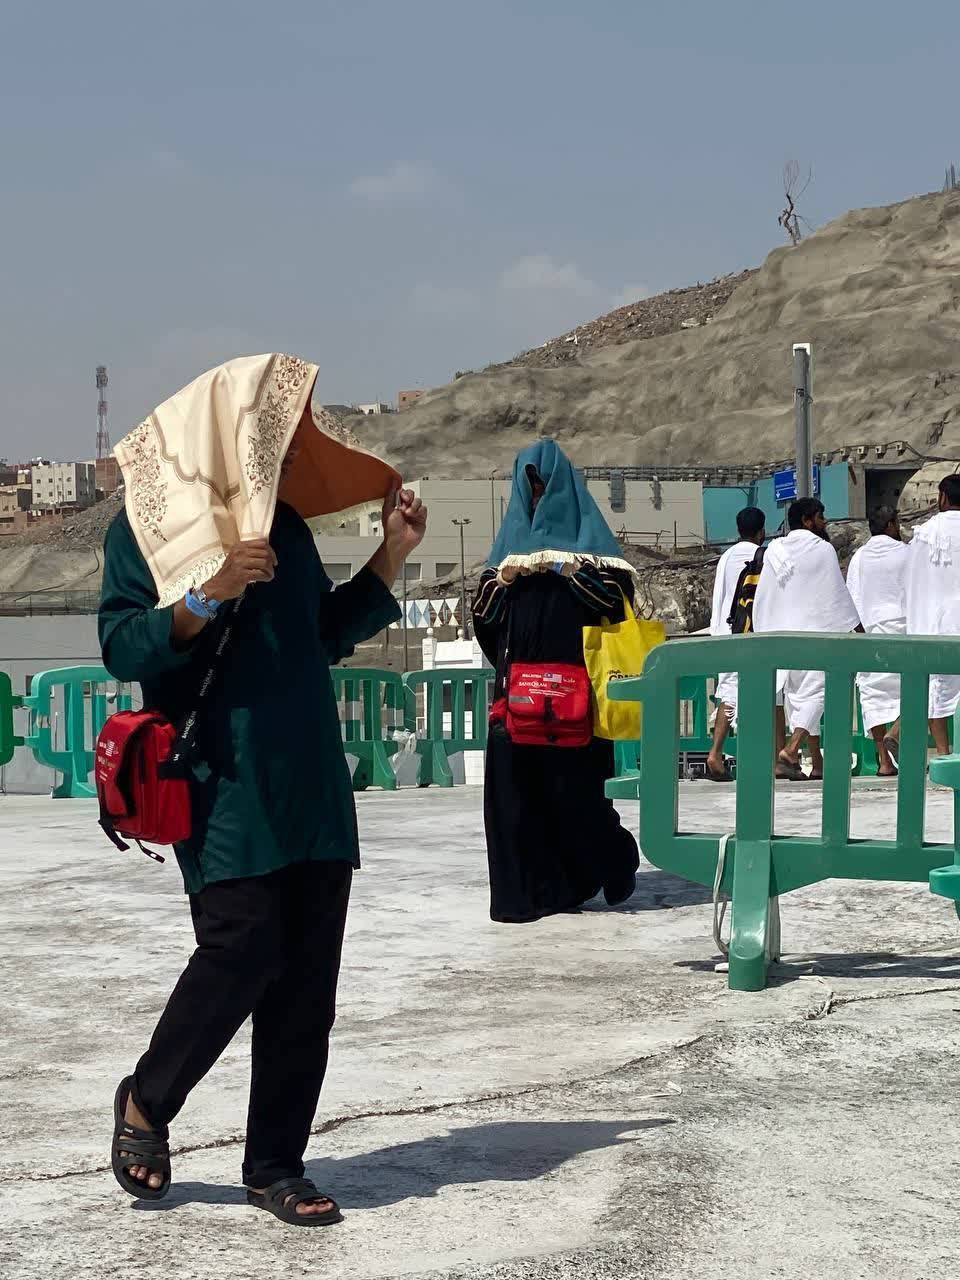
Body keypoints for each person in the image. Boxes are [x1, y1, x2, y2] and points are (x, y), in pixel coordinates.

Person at [99, 354, 427, 1226]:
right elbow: (124, 648)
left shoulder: (283, 525)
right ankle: (146, 1102)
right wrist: (205, 597)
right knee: (241, 947)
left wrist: (390, 558)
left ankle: (275, 1162)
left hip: (310, 780)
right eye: (270, 440)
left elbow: (319, 634)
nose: (284, 458)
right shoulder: (145, 528)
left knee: (306, 983)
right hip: (220, 781)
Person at [471, 441, 641, 923]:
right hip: (517, 703)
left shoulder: (599, 559)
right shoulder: (504, 560)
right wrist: (504, 584)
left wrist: (567, 570)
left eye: (545, 485)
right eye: (531, 487)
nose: (539, 495)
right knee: (512, 804)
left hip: (578, 707)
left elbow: (614, 607)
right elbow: (484, 623)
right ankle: (522, 898)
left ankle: (611, 864)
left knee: (580, 802)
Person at [753, 497, 862, 780]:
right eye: (820, 516)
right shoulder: (822, 549)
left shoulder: (775, 550)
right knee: (816, 696)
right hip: (816, 634)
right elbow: (835, 594)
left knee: (798, 700)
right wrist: (856, 628)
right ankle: (790, 751)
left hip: (782, 635)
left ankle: (817, 765)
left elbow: (765, 595)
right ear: (806, 521)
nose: (824, 522)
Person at [705, 506, 766, 781]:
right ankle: (728, 755)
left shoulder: (726, 557)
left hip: (724, 633)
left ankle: (717, 753)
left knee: (728, 693)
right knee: (757, 694)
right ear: (762, 531)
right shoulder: (760, 556)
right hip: (749, 634)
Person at [846, 506, 907, 775]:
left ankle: (883, 761)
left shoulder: (859, 557)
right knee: (922, 689)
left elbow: (852, 597)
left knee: (872, 697)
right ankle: (897, 731)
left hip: (869, 634)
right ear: (892, 525)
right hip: (904, 633)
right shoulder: (907, 553)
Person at [905, 473, 960, 755]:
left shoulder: (925, 533)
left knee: (936, 690)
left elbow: (913, 581)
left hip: (936, 623)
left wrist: (915, 622)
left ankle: (942, 752)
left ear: (943, 497)